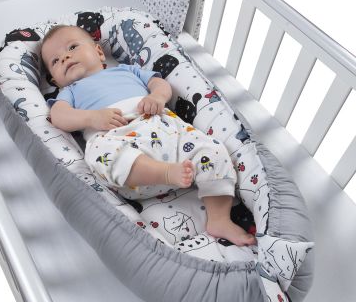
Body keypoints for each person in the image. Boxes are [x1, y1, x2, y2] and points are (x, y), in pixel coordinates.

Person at [41, 25, 256, 246]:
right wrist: (91, 118)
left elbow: (160, 84)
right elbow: (58, 116)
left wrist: (157, 98)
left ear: (98, 52)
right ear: (55, 81)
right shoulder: (70, 91)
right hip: (123, 150)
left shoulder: (127, 70)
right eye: (55, 61)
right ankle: (166, 172)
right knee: (100, 154)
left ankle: (219, 218)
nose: (65, 57)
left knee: (213, 150)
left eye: (72, 47)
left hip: (162, 128)